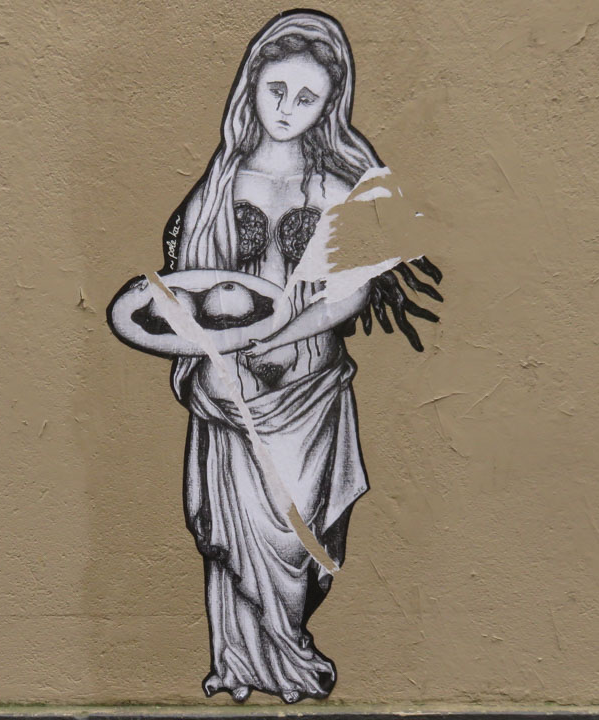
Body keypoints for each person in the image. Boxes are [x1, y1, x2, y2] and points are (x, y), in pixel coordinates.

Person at [154, 10, 441, 703]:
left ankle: (288, 649)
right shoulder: (219, 185)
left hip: (308, 386)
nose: (286, 109)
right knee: (237, 528)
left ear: (328, 106)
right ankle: (242, 664)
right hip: (230, 384)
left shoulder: (339, 189)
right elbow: (187, 285)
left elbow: (350, 296)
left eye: (306, 98)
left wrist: (276, 337)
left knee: (294, 536)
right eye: (275, 90)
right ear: (251, 85)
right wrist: (220, 350)